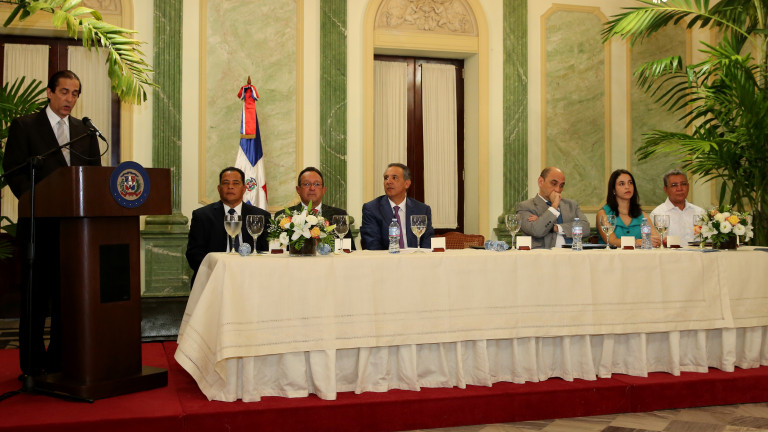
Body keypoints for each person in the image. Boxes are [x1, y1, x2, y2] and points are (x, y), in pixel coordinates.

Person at [2, 70, 102, 378]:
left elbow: (94, 177)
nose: (69, 99)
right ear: (49, 92)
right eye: (64, 91)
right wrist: (38, 201)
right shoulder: (26, 126)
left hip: (74, 231)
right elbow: (14, 171)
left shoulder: (84, 132)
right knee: (35, 298)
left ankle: (60, 360)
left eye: (75, 93)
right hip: (38, 226)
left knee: (66, 298)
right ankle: (32, 366)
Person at [186, 167, 271, 284]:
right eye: (226, 183)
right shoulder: (202, 216)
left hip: (250, 276)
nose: (230, 187)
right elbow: (194, 254)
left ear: (244, 189)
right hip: (214, 277)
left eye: (235, 183)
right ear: (219, 188)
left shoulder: (260, 216)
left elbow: (265, 251)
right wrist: (217, 271)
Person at [274, 166, 354, 249]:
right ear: (298, 190)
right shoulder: (283, 217)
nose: (312, 188)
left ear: (324, 190)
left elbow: (349, 250)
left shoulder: (339, 215)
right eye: (307, 184)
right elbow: (277, 250)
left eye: (317, 184)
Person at [360, 163, 434, 250]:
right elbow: (372, 245)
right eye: (386, 178)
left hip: (415, 257)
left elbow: (427, 243)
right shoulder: (372, 209)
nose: (388, 182)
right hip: (385, 257)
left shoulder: (422, 209)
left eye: (394, 178)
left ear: (407, 183)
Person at [516, 167, 589, 249]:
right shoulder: (525, 206)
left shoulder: (571, 205)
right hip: (545, 255)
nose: (558, 189)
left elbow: (586, 228)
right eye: (554, 184)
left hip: (573, 253)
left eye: (561, 186)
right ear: (541, 182)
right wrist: (554, 206)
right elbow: (536, 230)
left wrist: (555, 228)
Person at [597, 169, 661, 248]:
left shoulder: (642, 215)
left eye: (630, 183)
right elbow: (611, 241)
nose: (627, 187)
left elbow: (656, 239)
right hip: (612, 255)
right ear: (613, 190)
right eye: (621, 184)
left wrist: (656, 241)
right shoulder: (603, 214)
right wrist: (636, 242)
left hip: (638, 255)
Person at [649, 169, 705, 244]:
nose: (680, 189)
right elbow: (656, 244)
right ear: (666, 189)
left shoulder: (700, 212)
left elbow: (709, 241)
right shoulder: (657, 214)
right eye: (674, 185)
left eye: (683, 184)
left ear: (688, 186)